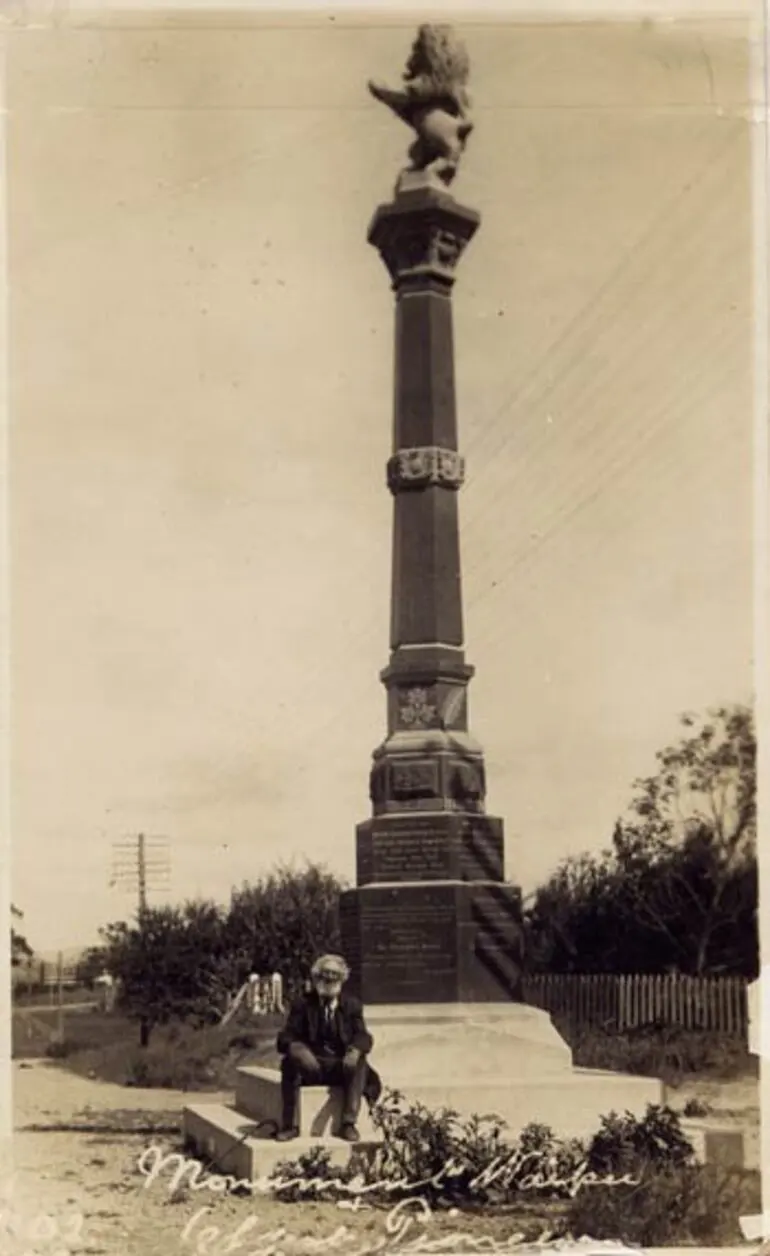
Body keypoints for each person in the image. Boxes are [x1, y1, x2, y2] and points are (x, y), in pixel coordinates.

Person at [275, 953, 381, 1142]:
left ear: (342, 978)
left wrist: (356, 1049)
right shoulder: (303, 1004)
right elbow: (286, 1035)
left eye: (335, 974)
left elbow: (363, 1036)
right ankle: (290, 1126)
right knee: (289, 1063)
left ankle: (348, 1124)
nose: (330, 979)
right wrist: (296, 1048)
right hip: (312, 1066)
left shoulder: (352, 1005)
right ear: (316, 977)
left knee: (360, 1062)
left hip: (341, 1066)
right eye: (325, 974)